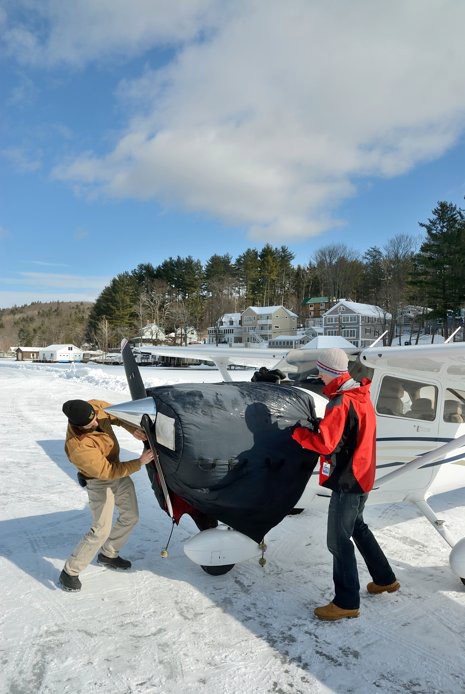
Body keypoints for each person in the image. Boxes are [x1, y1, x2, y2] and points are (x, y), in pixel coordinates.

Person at [292, 348, 399, 621]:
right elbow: (347, 433)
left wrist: (299, 434)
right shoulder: (360, 396)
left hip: (348, 481)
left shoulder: (340, 402)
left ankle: (346, 602)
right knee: (358, 528)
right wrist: (322, 425)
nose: (319, 375)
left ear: (329, 372)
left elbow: (326, 444)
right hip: (364, 475)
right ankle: (385, 579)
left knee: (338, 541)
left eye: (321, 371)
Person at [59, 399, 154, 592]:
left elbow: (116, 415)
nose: (96, 423)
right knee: (100, 530)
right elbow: (107, 472)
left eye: (95, 418)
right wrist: (139, 462)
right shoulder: (78, 447)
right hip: (99, 479)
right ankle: (70, 571)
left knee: (131, 516)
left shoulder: (94, 408)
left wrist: (131, 429)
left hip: (119, 469)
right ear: (77, 425)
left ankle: (108, 554)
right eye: (90, 424)